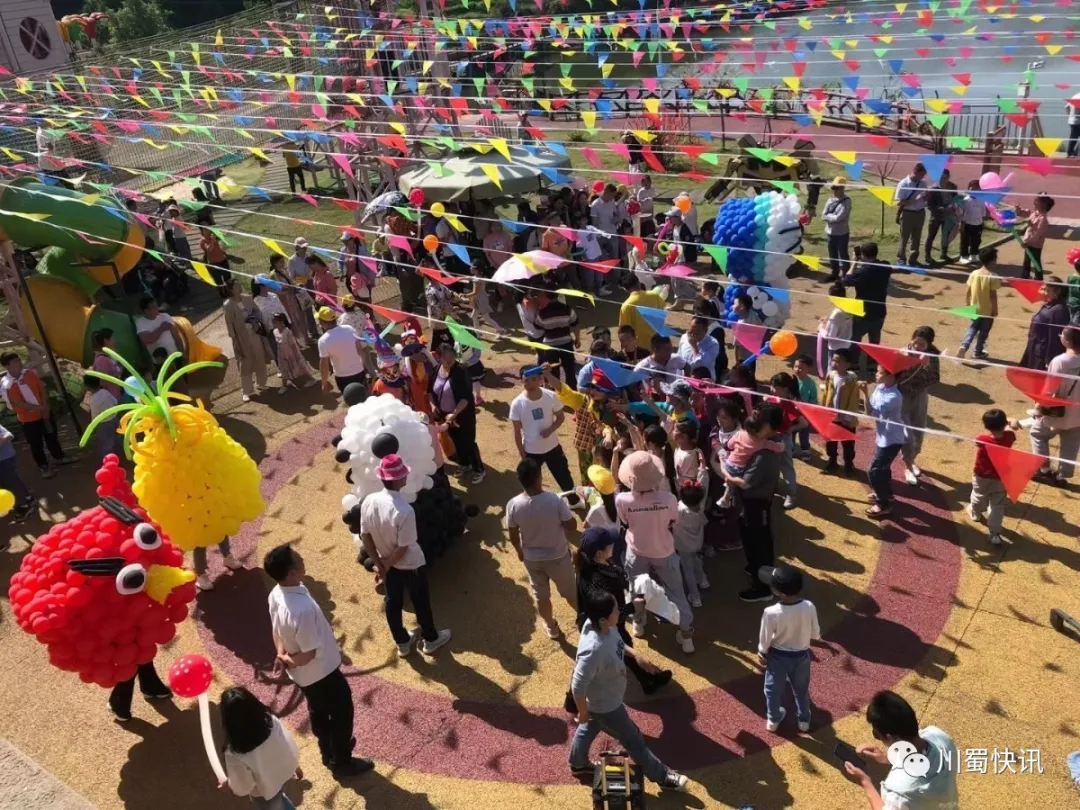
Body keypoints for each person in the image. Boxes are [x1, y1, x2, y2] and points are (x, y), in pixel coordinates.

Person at [263, 544, 374, 777]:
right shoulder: (301, 610)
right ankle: (342, 760)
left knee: (318, 710)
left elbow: (276, 631)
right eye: (298, 558)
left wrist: (280, 655)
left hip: (305, 677)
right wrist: (287, 659)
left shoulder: (276, 593)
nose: (303, 558)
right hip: (321, 672)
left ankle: (328, 750)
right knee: (342, 713)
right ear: (291, 572)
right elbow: (308, 654)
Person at [568, 591, 689, 792]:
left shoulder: (602, 626)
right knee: (634, 740)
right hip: (607, 706)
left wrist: (636, 655)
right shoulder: (592, 650)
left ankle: (578, 763)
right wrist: (582, 711)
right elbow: (577, 685)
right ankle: (662, 777)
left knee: (589, 726)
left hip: (603, 701)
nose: (619, 612)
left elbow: (617, 643)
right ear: (603, 619)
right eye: (615, 610)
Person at [359, 454, 452, 656]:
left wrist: (380, 564)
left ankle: (402, 641)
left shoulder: (369, 501)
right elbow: (403, 548)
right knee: (421, 603)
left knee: (393, 603)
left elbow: (365, 535)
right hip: (409, 565)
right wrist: (387, 564)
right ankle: (431, 638)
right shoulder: (404, 510)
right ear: (399, 479)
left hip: (387, 563)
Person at [616, 450, 695, 653]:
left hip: (637, 550)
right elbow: (673, 521)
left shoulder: (622, 500)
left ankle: (639, 624)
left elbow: (625, 522)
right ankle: (686, 635)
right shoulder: (669, 499)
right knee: (676, 591)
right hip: (664, 551)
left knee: (637, 590)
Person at [843, 690, 959, 810]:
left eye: (877, 734)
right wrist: (888, 759)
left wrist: (865, 781)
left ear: (890, 737)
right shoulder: (939, 737)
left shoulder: (897, 790)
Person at [506, 458, 578, 639]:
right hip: (558, 557)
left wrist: (519, 551)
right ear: (539, 477)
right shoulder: (555, 500)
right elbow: (572, 526)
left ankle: (551, 627)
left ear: (519, 479)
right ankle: (584, 620)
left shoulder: (513, 505)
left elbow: (513, 534)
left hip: (532, 559)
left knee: (542, 597)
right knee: (570, 592)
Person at [721, 403, 784, 602]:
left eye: (761, 421)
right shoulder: (761, 442)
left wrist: (726, 472)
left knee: (758, 543)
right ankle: (756, 569)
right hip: (751, 503)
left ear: (772, 428)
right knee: (754, 540)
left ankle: (763, 587)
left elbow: (746, 483)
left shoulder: (765, 453)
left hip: (755, 504)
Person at [1013, 326, 1080, 484]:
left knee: (1038, 434)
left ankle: (1044, 469)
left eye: (1061, 335)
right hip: (1078, 413)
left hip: (1057, 411)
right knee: (1071, 444)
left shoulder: (1060, 361)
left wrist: (1038, 408)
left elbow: (1049, 390)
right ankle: (1063, 475)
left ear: (1068, 341)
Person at [758, 564, 819, 733]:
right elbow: (815, 633)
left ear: (778, 591)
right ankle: (804, 720)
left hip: (777, 656)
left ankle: (774, 718)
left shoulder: (770, 612)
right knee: (801, 690)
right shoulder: (809, 606)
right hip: (801, 656)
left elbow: (764, 638)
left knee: (772, 690)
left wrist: (762, 652)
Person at [220, 687, 302, 810]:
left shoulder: (235, 752)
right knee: (280, 797)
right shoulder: (271, 723)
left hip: (263, 792)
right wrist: (295, 766)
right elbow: (286, 743)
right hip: (281, 774)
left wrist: (230, 786)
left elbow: (243, 785)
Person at [0, 353, 69, 479]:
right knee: (36, 444)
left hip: (44, 414)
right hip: (29, 421)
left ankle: (59, 457)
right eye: (15, 361)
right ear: (7, 366)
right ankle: (43, 466)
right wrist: (40, 408)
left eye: (19, 360)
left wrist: (45, 406)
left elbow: (42, 388)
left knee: (51, 435)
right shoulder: (7, 385)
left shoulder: (30, 373)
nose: (19, 363)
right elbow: (19, 403)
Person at [510, 365, 576, 493]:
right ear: (521, 381)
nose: (530, 383)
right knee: (532, 483)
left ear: (541, 379)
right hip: (531, 451)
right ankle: (535, 504)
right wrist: (522, 454)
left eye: (534, 379)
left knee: (564, 477)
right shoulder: (517, 404)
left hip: (553, 447)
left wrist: (550, 430)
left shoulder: (551, 396)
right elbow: (517, 432)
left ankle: (574, 500)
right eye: (526, 380)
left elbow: (560, 418)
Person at [430, 343, 485, 484]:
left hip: (462, 415)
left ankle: (479, 469)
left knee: (468, 442)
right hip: (445, 415)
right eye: (446, 358)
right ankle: (465, 465)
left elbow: (465, 398)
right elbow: (431, 391)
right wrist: (434, 406)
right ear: (438, 357)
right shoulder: (436, 369)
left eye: (452, 358)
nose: (450, 361)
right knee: (456, 441)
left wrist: (454, 413)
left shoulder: (461, 372)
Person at [861, 366, 907, 519]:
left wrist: (865, 394)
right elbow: (871, 412)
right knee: (884, 470)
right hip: (883, 437)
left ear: (891, 376)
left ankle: (883, 503)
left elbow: (875, 412)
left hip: (892, 440)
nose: (876, 374)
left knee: (874, 470)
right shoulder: (880, 388)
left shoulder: (894, 397)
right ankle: (886, 494)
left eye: (880, 372)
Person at [967, 408, 1015, 547]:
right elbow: (1011, 427)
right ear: (1004, 423)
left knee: (978, 495)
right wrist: (1010, 421)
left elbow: (977, 442)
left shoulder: (983, 439)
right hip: (1001, 477)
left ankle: (975, 512)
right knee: (997, 505)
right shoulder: (1009, 438)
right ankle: (994, 533)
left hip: (982, 475)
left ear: (986, 425)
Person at [843, 242, 893, 374]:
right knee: (875, 339)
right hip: (880, 311)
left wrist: (854, 262)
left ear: (863, 255)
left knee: (855, 338)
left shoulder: (862, 272)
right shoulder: (886, 266)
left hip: (862, 312)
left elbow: (846, 281)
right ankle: (872, 365)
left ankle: (854, 364)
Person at [224, 279, 270, 402]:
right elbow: (229, 324)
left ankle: (261, 382)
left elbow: (257, 311)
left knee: (259, 357)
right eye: (236, 286)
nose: (239, 287)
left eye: (239, 285)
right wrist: (235, 339)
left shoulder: (248, 298)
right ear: (230, 289)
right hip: (241, 337)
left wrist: (255, 320)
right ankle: (247, 390)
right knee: (245, 362)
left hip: (254, 333)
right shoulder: (228, 305)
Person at [956, 246, 1000, 362]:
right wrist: (995, 309)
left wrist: (967, 304)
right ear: (992, 261)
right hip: (987, 311)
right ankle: (977, 351)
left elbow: (968, 291)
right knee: (983, 332)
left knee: (972, 329)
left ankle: (964, 346)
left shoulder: (974, 273)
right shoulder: (993, 276)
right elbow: (993, 295)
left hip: (974, 309)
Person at [1019, 275, 1071, 371]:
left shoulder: (1059, 311)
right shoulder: (1049, 304)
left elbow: (1056, 339)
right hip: (1035, 350)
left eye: (1046, 290)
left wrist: (1050, 360)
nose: (1041, 292)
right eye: (1042, 289)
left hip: (1043, 356)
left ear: (1057, 291)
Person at [822, 348, 860, 476]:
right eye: (833, 360)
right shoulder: (830, 376)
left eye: (838, 361)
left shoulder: (852, 380)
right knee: (830, 442)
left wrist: (848, 417)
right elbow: (826, 393)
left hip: (845, 419)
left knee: (848, 443)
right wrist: (824, 410)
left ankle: (848, 463)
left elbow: (854, 399)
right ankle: (832, 460)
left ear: (848, 364)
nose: (834, 363)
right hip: (831, 417)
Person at [534, 287, 581, 389]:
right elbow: (575, 324)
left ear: (546, 296)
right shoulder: (567, 308)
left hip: (550, 346)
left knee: (554, 373)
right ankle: (572, 393)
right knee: (570, 371)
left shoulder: (542, 313)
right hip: (566, 343)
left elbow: (537, 326)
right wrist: (578, 339)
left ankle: (558, 394)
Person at [317, 307, 367, 394]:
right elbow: (360, 350)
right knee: (363, 396)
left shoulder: (323, 341)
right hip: (359, 372)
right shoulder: (350, 329)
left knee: (351, 400)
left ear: (323, 322)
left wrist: (324, 383)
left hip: (342, 376)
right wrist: (362, 365)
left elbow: (324, 364)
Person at [674, 483, 708, 608]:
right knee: (697, 560)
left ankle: (695, 596)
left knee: (688, 570)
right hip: (697, 542)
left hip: (683, 546)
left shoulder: (679, 510)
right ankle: (703, 580)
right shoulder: (701, 508)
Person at [271, 312, 316, 395]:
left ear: (281, 322)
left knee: (300, 366)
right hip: (282, 354)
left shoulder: (287, 331)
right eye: (273, 321)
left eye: (275, 322)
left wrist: (295, 355)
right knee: (283, 368)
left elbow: (292, 344)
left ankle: (311, 379)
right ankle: (284, 386)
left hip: (291, 353)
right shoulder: (275, 331)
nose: (273, 323)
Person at [893, 162, 928, 267]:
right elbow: (899, 202)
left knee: (916, 238)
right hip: (908, 213)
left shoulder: (923, 183)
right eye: (921, 175)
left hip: (920, 213)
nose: (923, 177)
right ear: (915, 172)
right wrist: (915, 200)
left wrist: (926, 197)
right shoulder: (903, 184)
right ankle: (901, 259)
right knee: (904, 237)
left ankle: (913, 259)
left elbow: (924, 196)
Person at [0, 424, 34, 524]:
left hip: (5, 458)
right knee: (9, 482)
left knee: (11, 482)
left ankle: (23, 506)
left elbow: (8, 435)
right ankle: (28, 499)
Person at [924, 168, 958, 266]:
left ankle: (944, 254)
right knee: (931, 236)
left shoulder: (952, 187)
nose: (943, 180)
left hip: (948, 216)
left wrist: (954, 207)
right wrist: (940, 209)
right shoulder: (933, 189)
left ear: (948, 177)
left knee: (946, 236)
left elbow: (956, 199)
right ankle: (927, 256)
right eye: (941, 178)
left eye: (945, 177)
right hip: (936, 217)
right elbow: (929, 205)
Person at [619, 275, 666, 346]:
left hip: (639, 348)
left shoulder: (626, 306)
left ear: (625, 289)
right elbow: (662, 313)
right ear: (638, 283)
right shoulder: (654, 295)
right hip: (657, 343)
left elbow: (624, 330)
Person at [819, 281, 854, 373]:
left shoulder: (836, 313)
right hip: (846, 344)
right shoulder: (850, 307)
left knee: (832, 371)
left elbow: (830, 336)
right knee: (842, 370)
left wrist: (821, 328)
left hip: (835, 348)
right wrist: (829, 322)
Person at [1017, 193, 1053, 281]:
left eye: (1037, 201)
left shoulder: (1043, 219)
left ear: (1043, 204)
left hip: (1035, 245)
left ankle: (1039, 278)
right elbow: (1025, 213)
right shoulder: (1034, 213)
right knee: (1027, 260)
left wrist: (1027, 242)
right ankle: (1025, 275)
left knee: (1036, 261)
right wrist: (1018, 210)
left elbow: (1038, 234)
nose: (1034, 202)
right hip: (1028, 243)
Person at [821, 177, 852, 281]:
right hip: (830, 232)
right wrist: (831, 217)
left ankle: (845, 276)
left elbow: (840, 217)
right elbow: (823, 215)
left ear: (842, 188)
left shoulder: (846, 201)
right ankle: (834, 273)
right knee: (832, 255)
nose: (834, 190)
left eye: (836, 188)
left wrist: (829, 217)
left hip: (841, 233)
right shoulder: (830, 200)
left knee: (843, 255)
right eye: (833, 188)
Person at [84, 375, 120, 463]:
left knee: (106, 444)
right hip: (114, 418)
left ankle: (110, 462)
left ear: (87, 387)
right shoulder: (105, 392)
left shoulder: (93, 399)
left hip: (103, 424)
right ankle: (118, 456)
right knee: (116, 438)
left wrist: (93, 426)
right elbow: (115, 401)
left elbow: (95, 416)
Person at [677, 317, 722, 381]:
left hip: (702, 383)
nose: (692, 336)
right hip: (683, 381)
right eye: (690, 332)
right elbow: (679, 358)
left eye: (697, 334)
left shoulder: (713, 344)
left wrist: (694, 346)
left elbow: (701, 365)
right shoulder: (684, 337)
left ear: (706, 331)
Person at [792, 355, 818, 458]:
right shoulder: (792, 380)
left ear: (808, 369)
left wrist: (809, 408)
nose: (797, 369)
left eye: (801, 368)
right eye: (796, 366)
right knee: (791, 432)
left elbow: (813, 399)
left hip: (805, 414)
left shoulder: (811, 384)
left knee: (804, 434)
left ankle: (805, 450)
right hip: (792, 413)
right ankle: (791, 449)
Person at [90, 329, 123, 400]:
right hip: (110, 400)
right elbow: (103, 382)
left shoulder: (108, 357)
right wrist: (117, 374)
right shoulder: (102, 360)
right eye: (112, 339)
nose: (114, 341)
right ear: (106, 341)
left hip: (115, 397)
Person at [958, 180, 985, 265]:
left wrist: (982, 222)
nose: (974, 190)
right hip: (967, 224)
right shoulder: (965, 200)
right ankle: (963, 256)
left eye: (976, 188)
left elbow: (983, 213)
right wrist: (961, 225)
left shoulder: (981, 200)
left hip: (978, 224)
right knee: (965, 241)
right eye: (972, 188)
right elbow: (961, 213)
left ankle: (974, 255)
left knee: (976, 241)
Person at [199, 226, 231, 296]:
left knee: (228, 278)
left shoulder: (213, 236)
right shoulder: (202, 241)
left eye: (208, 228)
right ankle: (222, 294)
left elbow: (223, 244)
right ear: (202, 232)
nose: (207, 230)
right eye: (205, 229)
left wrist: (223, 237)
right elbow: (209, 250)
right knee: (218, 281)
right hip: (214, 264)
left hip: (223, 261)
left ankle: (230, 292)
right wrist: (213, 238)